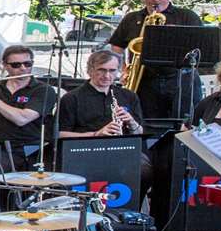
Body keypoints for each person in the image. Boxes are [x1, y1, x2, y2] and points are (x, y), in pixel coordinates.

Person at [108, 0, 204, 123]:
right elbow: (116, 47)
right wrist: (124, 69)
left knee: (185, 123)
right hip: (145, 81)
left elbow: (201, 46)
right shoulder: (131, 19)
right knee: (145, 122)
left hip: (180, 79)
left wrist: (177, 35)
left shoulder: (187, 16)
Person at [56, 49, 150, 189]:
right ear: (90, 70)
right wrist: (95, 134)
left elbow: (139, 133)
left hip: (121, 150)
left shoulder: (128, 96)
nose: (107, 75)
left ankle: (132, 208)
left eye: (112, 71)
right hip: (85, 150)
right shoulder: (72, 98)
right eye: (101, 70)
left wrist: (131, 121)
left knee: (144, 170)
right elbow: (59, 134)